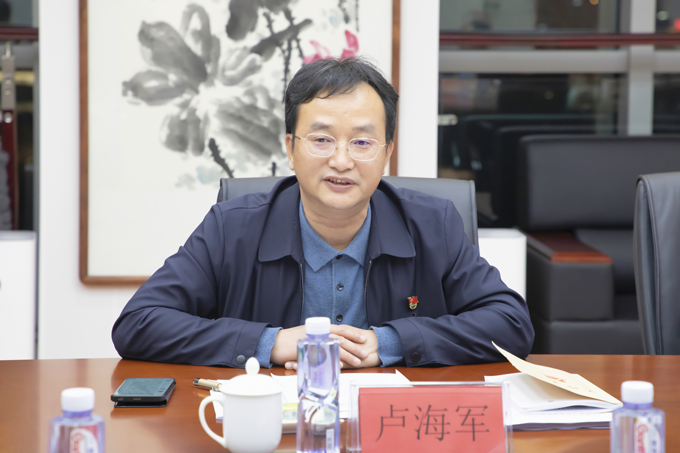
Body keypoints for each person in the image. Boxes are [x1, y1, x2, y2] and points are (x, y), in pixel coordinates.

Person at [112, 57, 534, 369]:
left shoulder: (432, 224)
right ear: (290, 148)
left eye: (362, 142)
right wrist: (270, 343)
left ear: (387, 152)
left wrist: (391, 342)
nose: (341, 160)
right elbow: (139, 323)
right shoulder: (232, 227)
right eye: (321, 139)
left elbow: (511, 324)